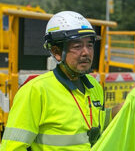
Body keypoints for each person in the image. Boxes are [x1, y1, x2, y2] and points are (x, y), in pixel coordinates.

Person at [1, 11, 122, 150]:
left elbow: (93, 123)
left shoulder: (94, 86)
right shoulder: (35, 91)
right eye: (77, 46)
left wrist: (124, 108)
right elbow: (12, 148)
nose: (86, 52)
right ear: (57, 52)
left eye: (89, 45)